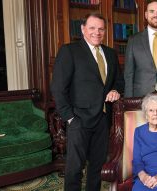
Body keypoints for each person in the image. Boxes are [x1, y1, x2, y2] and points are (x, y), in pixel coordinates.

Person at [50, 13, 124, 191]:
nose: (96, 32)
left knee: (97, 167)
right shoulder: (69, 51)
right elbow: (58, 88)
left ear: (105, 31)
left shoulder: (110, 53)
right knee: (75, 169)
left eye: (100, 29)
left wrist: (116, 91)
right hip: (78, 120)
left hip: (103, 119)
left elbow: (119, 82)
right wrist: (70, 118)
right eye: (92, 28)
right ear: (83, 29)